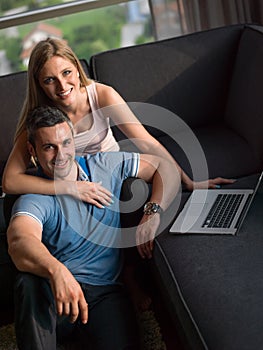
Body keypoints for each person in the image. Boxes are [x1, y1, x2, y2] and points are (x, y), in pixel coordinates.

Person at [2, 38, 233, 310]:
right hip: (64, 180)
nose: (62, 87)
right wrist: (71, 188)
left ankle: (127, 278)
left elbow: (147, 142)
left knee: (128, 192)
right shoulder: (40, 117)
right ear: (39, 84)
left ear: (77, 68)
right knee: (14, 202)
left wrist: (188, 181)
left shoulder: (101, 95)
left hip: (109, 172)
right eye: (49, 80)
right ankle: (52, 276)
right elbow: (9, 180)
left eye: (66, 73)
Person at [7, 105, 180, 350]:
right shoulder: (35, 197)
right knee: (28, 282)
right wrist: (57, 272)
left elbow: (166, 167)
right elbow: (20, 240)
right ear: (32, 151)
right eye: (49, 147)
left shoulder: (104, 166)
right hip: (57, 298)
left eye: (65, 143)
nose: (61, 155)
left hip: (105, 295)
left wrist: (152, 212)